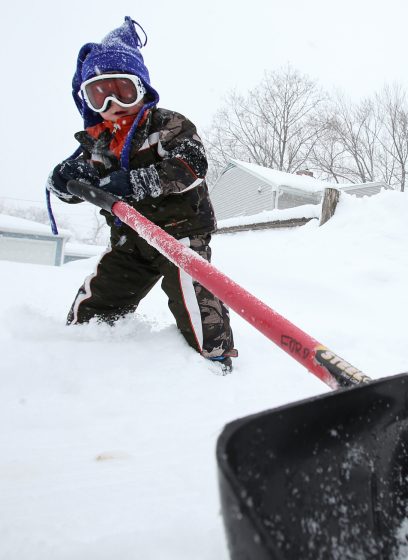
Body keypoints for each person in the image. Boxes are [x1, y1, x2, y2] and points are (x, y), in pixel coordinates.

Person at [46, 17, 237, 372]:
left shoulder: (168, 125)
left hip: (179, 234)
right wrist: (65, 181)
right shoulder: (97, 144)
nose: (113, 103)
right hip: (130, 240)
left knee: (194, 298)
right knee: (96, 303)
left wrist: (137, 182)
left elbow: (191, 166)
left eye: (123, 89)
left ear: (143, 89)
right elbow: (81, 190)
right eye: (99, 94)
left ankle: (216, 363)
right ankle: (77, 350)